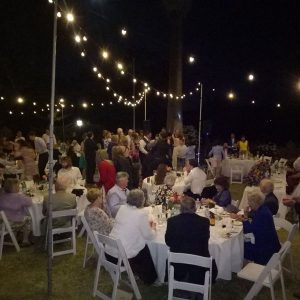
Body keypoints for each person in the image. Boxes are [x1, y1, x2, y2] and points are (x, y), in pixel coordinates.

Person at [165, 197, 217, 291]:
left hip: (178, 264)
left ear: (181, 209)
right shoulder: (204, 222)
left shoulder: (172, 221)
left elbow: (168, 241)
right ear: (195, 208)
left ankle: (181, 283)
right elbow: (205, 241)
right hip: (200, 265)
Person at [107, 189, 157, 285]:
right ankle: (151, 279)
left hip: (109, 252)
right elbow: (149, 236)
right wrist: (153, 227)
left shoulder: (122, 208)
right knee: (145, 248)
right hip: (121, 257)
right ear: (142, 200)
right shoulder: (141, 214)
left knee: (139, 244)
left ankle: (139, 273)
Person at [233, 192, 281, 265]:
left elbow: (250, 230)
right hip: (270, 241)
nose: (248, 203)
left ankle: (240, 263)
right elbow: (256, 226)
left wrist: (245, 217)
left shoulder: (262, 214)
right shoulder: (263, 209)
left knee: (241, 243)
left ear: (255, 203)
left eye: (249, 201)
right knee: (242, 240)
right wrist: (245, 218)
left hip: (265, 248)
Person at [0, 179, 32, 246]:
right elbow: (29, 202)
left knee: (15, 216)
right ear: (14, 187)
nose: (19, 187)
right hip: (13, 223)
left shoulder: (2, 196)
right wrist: (23, 195)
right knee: (29, 218)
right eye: (18, 186)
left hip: (3, 223)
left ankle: (14, 238)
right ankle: (25, 240)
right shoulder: (18, 197)